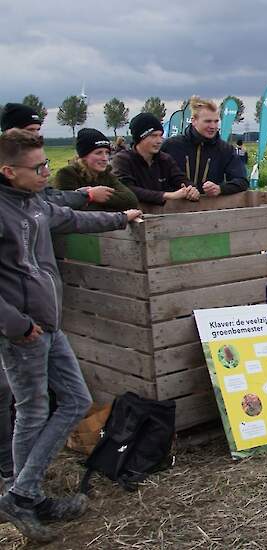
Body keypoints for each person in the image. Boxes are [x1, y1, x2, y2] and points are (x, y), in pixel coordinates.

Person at [0, 129, 142, 541]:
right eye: (38, 167)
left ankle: (25, 492)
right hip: (24, 330)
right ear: (9, 171)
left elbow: (74, 218)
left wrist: (122, 217)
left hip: (49, 325)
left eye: (47, 164)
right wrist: (18, 326)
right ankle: (24, 494)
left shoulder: (35, 204)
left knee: (75, 399)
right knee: (31, 410)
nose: (47, 172)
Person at [1, 103, 114, 210]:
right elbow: (43, 202)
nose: (36, 135)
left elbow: (48, 194)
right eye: (30, 130)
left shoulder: (107, 173)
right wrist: (87, 196)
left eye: (38, 129)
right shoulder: (67, 174)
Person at [161, 96, 247, 197]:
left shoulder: (225, 149)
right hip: (173, 208)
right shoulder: (172, 146)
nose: (213, 126)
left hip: (210, 208)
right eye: (208, 121)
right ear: (194, 121)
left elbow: (242, 181)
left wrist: (220, 189)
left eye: (216, 121)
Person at [112, 113, 200, 205]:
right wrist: (166, 195)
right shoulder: (122, 160)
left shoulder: (165, 159)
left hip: (164, 215)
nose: (159, 141)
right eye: (153, 136)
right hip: (132, 214)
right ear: (140, 138)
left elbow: (180, 179)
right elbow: (126, 189)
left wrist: (191, 189)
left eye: (160, 135)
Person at [54, 129, 138, 211]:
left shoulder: (106, 174)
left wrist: (100, 197)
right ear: (84, 156)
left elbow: (131, 200)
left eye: (107, 153)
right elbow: (69, 209)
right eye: (99, 153)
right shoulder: (67, 174)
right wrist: (90, 196)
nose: (105, 158)